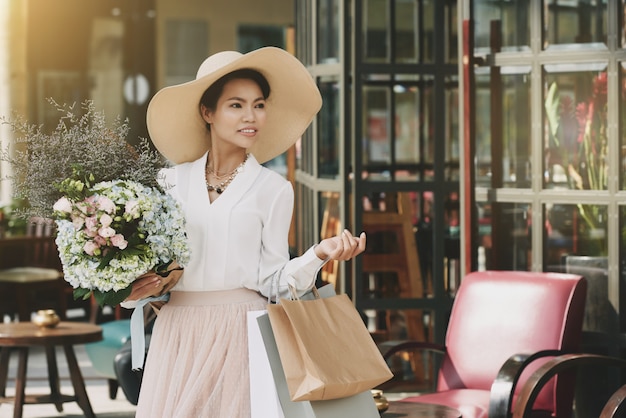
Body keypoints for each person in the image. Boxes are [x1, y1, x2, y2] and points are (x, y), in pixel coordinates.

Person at [123, 47, 366, 417]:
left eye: (259, 105)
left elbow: (273, 283)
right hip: (178, 333)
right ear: (208, 112)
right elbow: (143, 267)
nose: (250, 116)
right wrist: (131, 284)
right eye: (236, 105)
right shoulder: (168, 182)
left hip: (242, 333)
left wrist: (319, 253)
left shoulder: (273, 189)